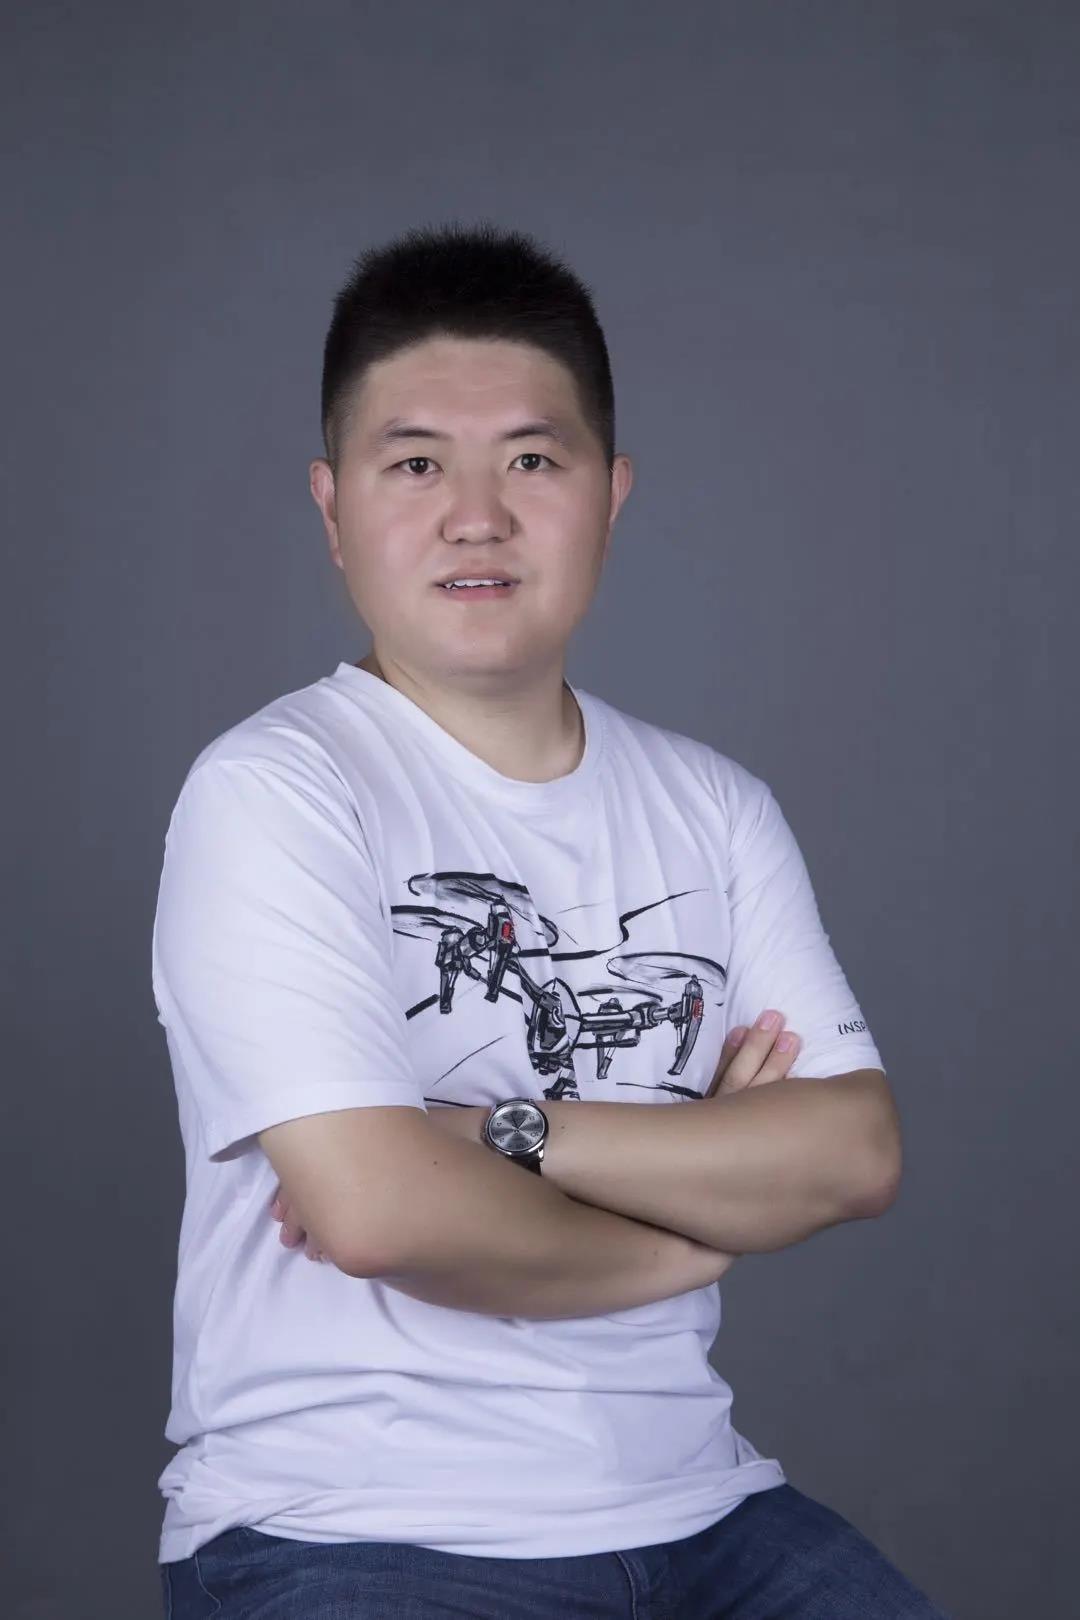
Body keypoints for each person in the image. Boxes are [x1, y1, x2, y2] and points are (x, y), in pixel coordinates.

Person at [152, 221, 950, 1618]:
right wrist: (694, 1229)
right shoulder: (276, 790)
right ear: (333, 509)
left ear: (611, 493)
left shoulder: (714, 805)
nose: (477, 516)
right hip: (355, 1528)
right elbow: (378, 1209)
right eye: (415, 465)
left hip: (707, 1510)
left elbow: (853, 1150)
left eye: (532, 460)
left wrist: (498, 1132)